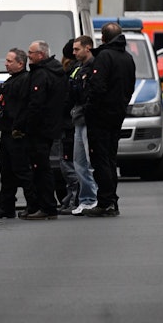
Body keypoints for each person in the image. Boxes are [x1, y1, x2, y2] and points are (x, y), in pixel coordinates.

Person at [83, 21, 136, 216]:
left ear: (103, 38)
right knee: (110, 158)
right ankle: (111, 200)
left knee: (100, 159)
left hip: (101, 116)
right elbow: (130, 87)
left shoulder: (104, 56)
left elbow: (97, 87)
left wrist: (91, 109)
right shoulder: (128, 58)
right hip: (117, 114)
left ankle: (106, 201)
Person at [20, 40, 67, 220]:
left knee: (41, 169)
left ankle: (47, 207)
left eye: (31, 53)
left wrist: (26, 127)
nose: (28, 55)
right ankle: (44, 205)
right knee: (42, 167)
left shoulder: (41, 74)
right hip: (50, 127)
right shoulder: (57, 71)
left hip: (39, 129)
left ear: (41, 55)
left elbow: (35, 104)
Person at [0, 47, 33, 218]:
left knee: (22, 171)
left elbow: (21, 108)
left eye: (10, 61)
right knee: (6, 172)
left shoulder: (24, 81)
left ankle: (32, 205)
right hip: (6, 131)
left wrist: (18, 127)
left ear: (21, 63)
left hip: (17, 133)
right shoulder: (11, 80)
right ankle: (7, 206)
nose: (6, 64)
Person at [67, 36, 98, 215]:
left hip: (87, 119)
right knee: (79, 163)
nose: (74, 52)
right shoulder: (78, 68)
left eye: (77, 49)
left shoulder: (93, 67)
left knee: (87, 161)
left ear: (88, 48)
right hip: (78, 118)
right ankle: (87, 199)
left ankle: (92, 198)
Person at [55, 39, 79, 212]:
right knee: (69, 163)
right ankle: (70, 198)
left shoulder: (71, 72)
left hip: (68, 124)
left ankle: (74, 198)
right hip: (71, 123)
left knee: (68, 164)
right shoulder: (74, 70)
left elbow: (66, 100)